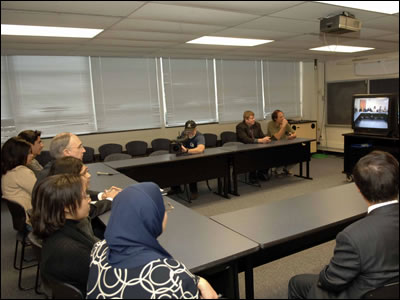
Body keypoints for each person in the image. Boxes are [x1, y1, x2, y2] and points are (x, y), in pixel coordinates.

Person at [288, 151, 399, 299]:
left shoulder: (353, 236)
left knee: (296, 282)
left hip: (366, 293)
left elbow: (331, 281)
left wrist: (325, 272)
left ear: (358, 189)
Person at [86, 182, 218, 299]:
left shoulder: (98, 248)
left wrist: (196, 280)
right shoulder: (172, 278)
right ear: (153, 217)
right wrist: (197, 280)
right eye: (162, 208)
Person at [31, 174, 98, 295]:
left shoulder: (58, 230)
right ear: (66, 207)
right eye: (84, 196)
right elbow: (105, 279)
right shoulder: (71, 251)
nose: (89, 199)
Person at [36, 132, 120, 201]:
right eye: (79, 147)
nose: (84, 150)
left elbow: (78, 193)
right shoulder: (54, 176)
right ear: (67, 152)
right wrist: (109, 199)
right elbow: (76, 209)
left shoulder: (60, 168)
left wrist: (102, 195)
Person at [47, 156, 115, 239]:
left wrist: (102, 195)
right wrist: (110, 199)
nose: (89, 175)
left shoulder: (55, 193)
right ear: (71, 177)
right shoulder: (75, 229)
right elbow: (91, 209)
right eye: (84, 173)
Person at [1, 137, 36, 225]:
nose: (32, 155)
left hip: (21, 220)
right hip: (31, 219)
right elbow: (40, 193)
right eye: (29, 153)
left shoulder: (7, 171)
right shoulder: (21, 172)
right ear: (19, 156)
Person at [236, 110, 271, 183]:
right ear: (246, 119)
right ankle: (252, 175)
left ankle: (262, 173)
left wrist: (266, 139)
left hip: (257, 146)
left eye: (253, 117)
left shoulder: (257, 125)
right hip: (245, 148)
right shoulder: (240, 127)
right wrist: (260, 141)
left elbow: (261, 135)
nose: (254, 119)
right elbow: (245, 139)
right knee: (254, 155)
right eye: (251, 118)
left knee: (268, 153)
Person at [179, 120, 205, 200]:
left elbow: (200, 149)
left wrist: (187, 150)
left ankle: (194, 191)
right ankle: (175, 188)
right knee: (173, 166)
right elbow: (180, 143)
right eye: (187, 130)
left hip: (196, 159)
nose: (189, 132)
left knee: (191, 169)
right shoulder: (184, 134)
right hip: (185, 157)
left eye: (191, 130)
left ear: (195, 129)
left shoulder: (199, 136)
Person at [267, 109, 296, 175]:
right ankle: (278, 170)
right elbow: (277, 137)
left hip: (284, 144)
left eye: (283, 116)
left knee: (297, 153)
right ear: (275, 119)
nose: (283, 118)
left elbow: (294, 134)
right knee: (282, 154)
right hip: (273, 145)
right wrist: (283, 127)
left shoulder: (285, 123)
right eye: (280, 117)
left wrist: (292, 136)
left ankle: (286, 169)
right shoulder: (270, 124)